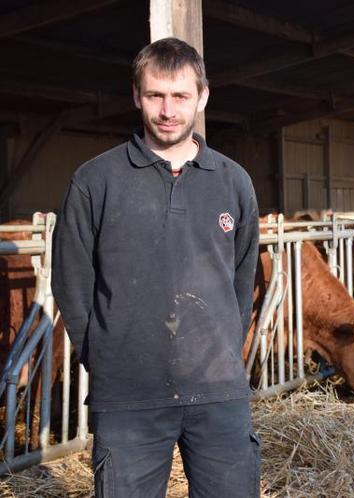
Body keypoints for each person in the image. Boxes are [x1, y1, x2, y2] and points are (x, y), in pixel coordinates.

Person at [52, 38, 260, 497]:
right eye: (155, 95)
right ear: (136, 96)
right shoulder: (95, 181)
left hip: (219, 390)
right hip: (128, 395)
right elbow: (71, 279)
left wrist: (224, 345)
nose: (168, 110)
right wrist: (105, 356)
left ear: (202, 96)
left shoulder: (233, 181)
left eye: (180, 96)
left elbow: (242, 278)